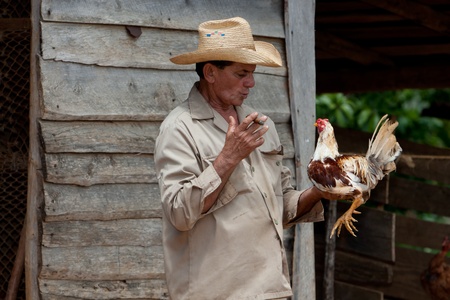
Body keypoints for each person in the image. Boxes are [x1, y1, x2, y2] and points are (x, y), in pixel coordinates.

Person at [154, 16, 339, 300]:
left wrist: (321, 190)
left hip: (270, 289)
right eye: (241, 74)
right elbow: (179, 214)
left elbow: (281, 205)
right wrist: (228, 158)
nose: (251, 82)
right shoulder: (179, 128)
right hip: (217, 292)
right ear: (210, 72)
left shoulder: (261, 124)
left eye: (252, 73)